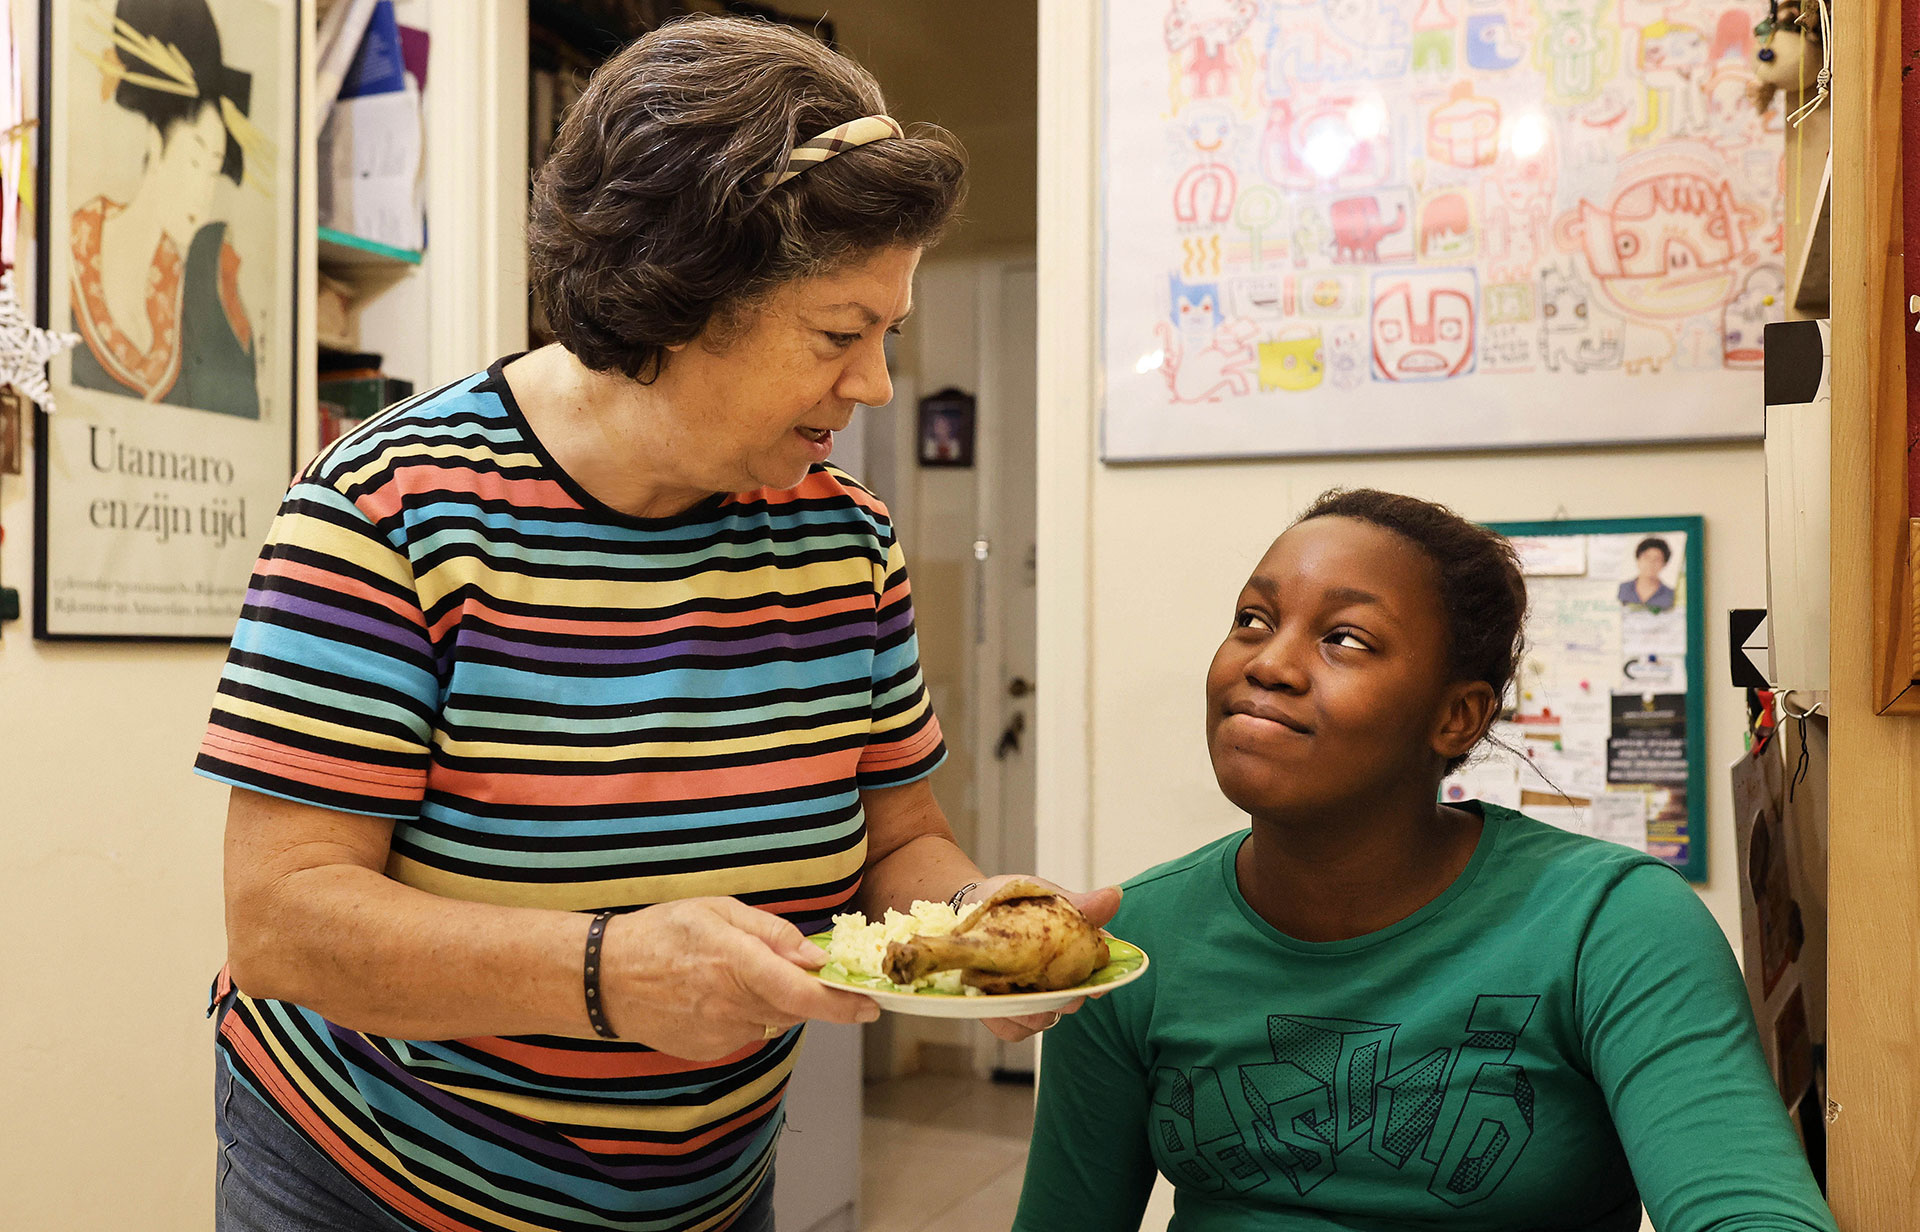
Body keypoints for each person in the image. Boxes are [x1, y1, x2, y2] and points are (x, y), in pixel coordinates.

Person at [195, 18, 1115, 1232]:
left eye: (886, 334)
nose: (877, 384)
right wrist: (608, 972)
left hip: (706, 1194)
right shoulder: (390, 509)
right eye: (839, 334)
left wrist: (980, 926)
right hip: (374, 1183)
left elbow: (900, 838)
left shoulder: (844, 540)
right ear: (682, 294)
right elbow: (284, 924)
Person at [1014, 489, 1836, 1232]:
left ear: (1457, 718)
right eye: (1254, 620)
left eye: (1345, 639)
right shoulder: (1126, 943)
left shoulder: (1614, 925)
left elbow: (1750, 1208)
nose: (1266, 663)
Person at [71, 0, 261, 417]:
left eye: (213, 169)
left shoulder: (208, 279)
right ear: (156, 144)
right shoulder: (69, 251)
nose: (204, 192)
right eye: (194, 160)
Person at [1618, 535, 1678, 610]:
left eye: (1657, 559)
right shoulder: (1623, 589)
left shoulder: (1670, 595)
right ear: (1638, 560)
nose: (1651, 563)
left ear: (1664, 564)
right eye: (1647, 557)